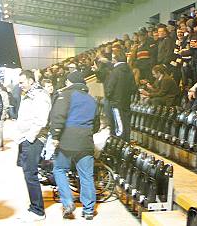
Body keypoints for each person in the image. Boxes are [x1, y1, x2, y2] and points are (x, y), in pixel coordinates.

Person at [49, 71, 99, 220]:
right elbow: (96, 124)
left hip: (66, 142)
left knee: (59, 169)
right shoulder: (92, 100)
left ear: (70, 82)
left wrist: (55, 135)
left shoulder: (65, 95)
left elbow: (58, 116)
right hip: (86, 142)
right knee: (86, 176)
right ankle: (89, 210)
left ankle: (68, 202)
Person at [16, 70, 52, 222]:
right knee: (28, 173)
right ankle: (34, 207)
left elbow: (41, 120)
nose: (20, 85)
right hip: (26, 138)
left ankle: (38, 210)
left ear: (31, 80)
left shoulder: (40, 96)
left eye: (22, 82)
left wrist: (30, 138)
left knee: (30, 174)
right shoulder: (30, 94)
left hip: (34, 139)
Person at [105, 43, 137, 141]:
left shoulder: (115, 71)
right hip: (126, 101)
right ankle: (126, 140)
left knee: (118, 124)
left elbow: (110, 88)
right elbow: (133, 88)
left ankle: (119, 143)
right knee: (126, 122)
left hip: (116, 102)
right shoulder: (129, 71)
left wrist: (109, 97)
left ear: (116, 60)